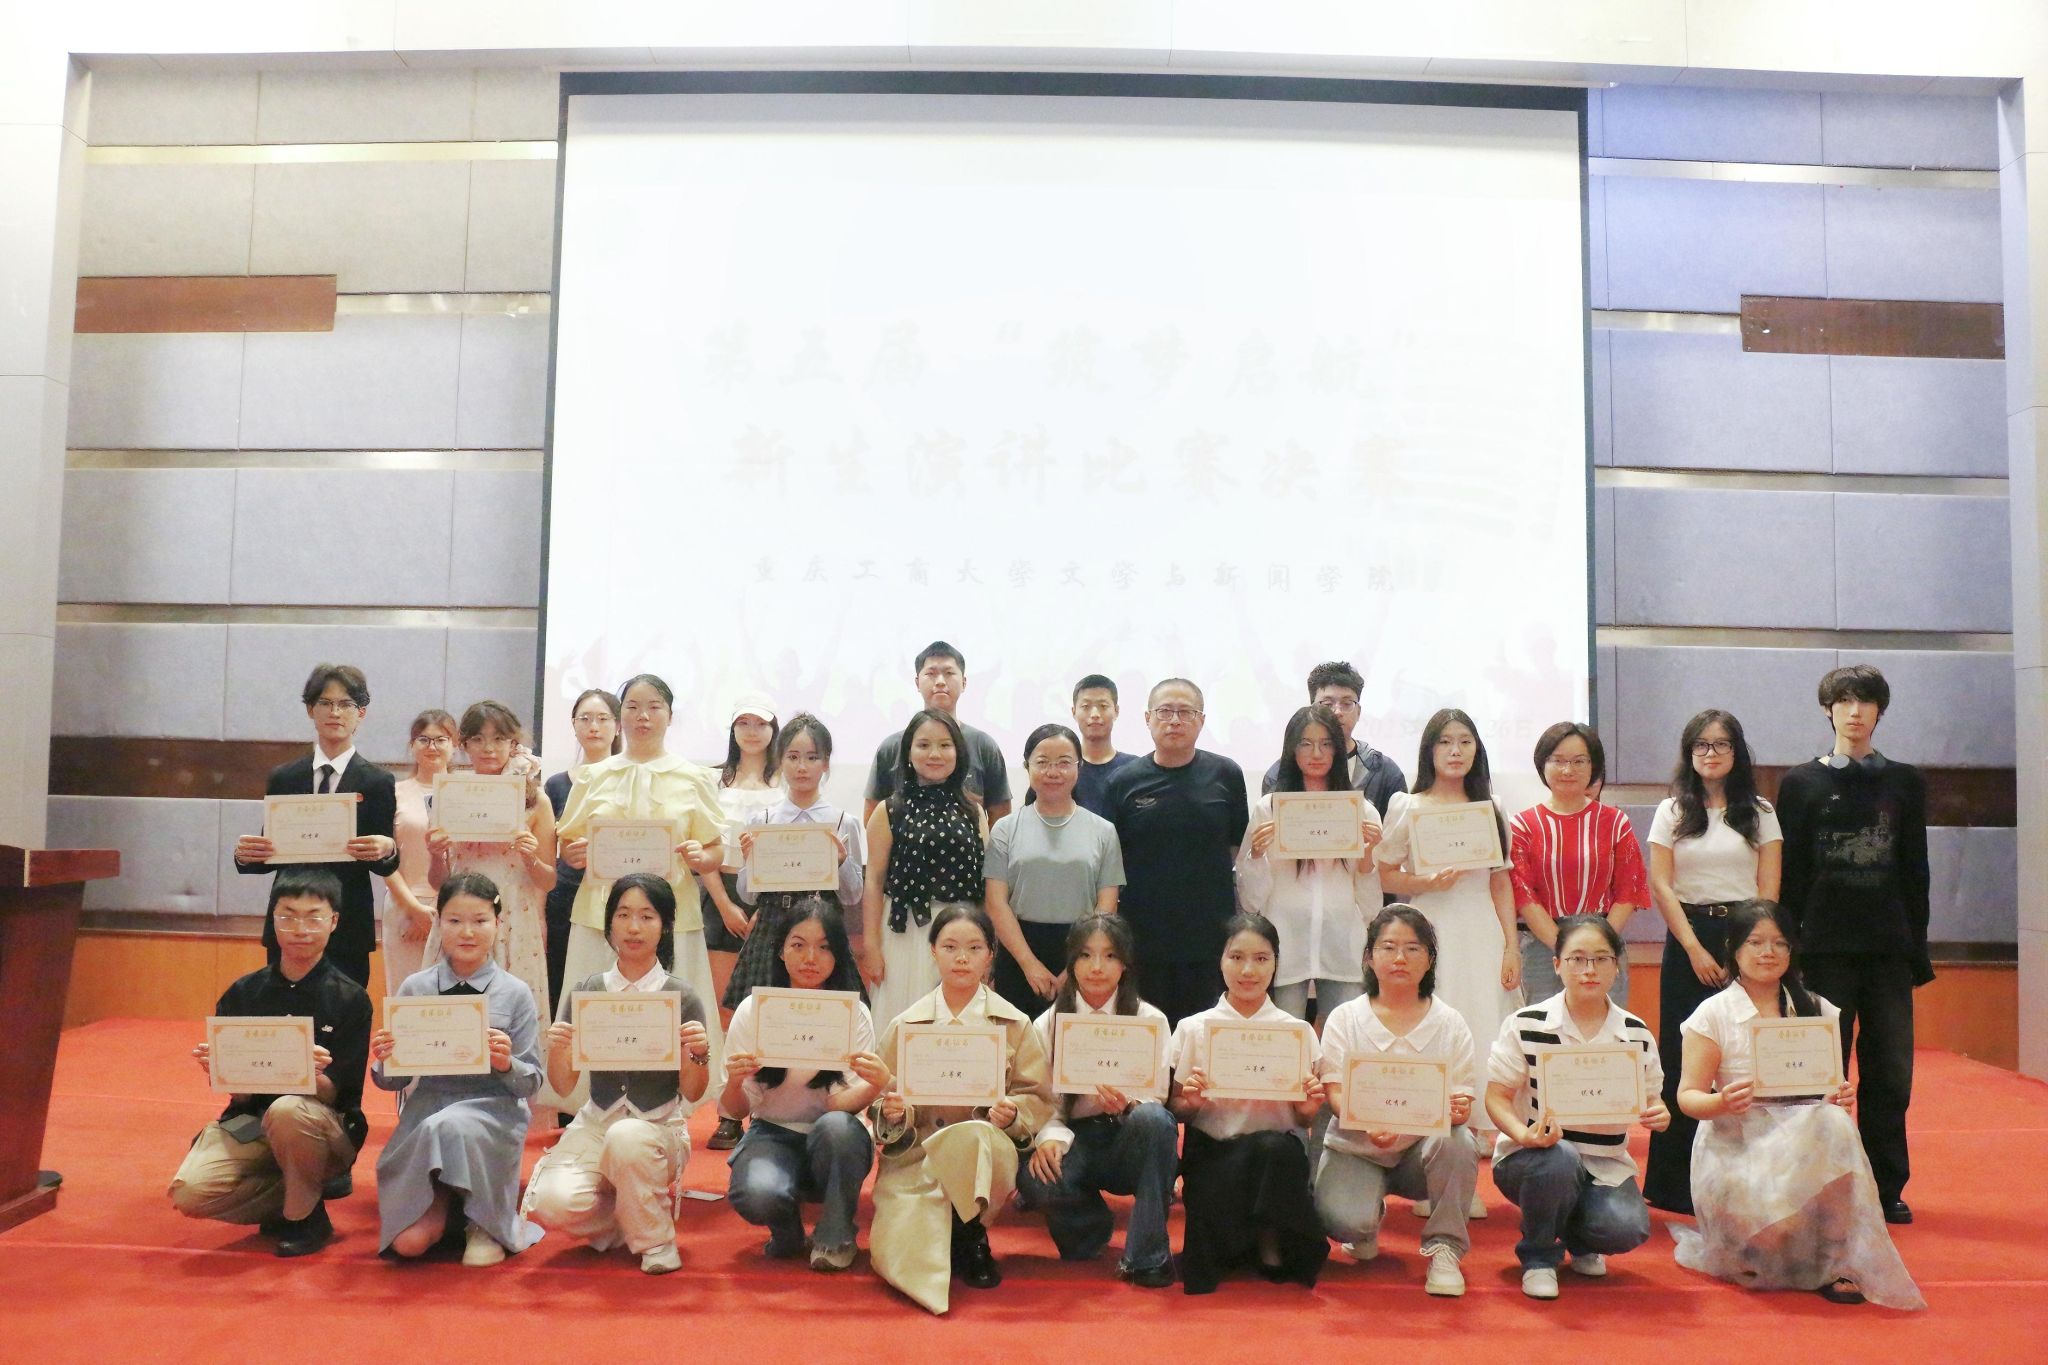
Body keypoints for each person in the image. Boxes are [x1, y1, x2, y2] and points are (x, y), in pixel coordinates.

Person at [1673, 901, 1924, 1308]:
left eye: (1779, 943)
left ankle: (1836, 1261)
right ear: (1733, 950)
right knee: (1768, 1245)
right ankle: (1758, 1241)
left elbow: (1826, 1086)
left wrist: (1838, 1096)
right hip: (1737, 1141)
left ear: (1792, 950)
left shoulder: (1816, 1008)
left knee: (1834, 1121)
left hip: (1801, 1138)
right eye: (1755, 942)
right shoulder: (1712, 1013)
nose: (1768, 952)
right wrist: (1721, 1101)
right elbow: (1687, 1097)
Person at [1774, 664, 1930, 1226]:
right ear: (1828, 710)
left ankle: (1885, 1188)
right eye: (1844, 701)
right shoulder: (1800, 784)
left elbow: (1915, 871)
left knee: (1890, 1075)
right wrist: (1787, 953)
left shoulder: (1905, 782)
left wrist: (1917, 951)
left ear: (1880, 711)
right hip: (1822, 951)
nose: (1855, 711)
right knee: (1821, 1074)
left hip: (1888, 951)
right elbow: (1790, 875)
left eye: (1866, 701)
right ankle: (1824, 1184)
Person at [168, 869, 370, 1257]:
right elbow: (242, 1097)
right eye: (288, 916)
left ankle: (303, 1218)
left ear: (333, 922)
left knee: (288, 1109)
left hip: (323, 1128)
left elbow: (338, 1094)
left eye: (313, 917)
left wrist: (306, 1072)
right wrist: (222, 1069)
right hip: (252, 1121)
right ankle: (299, 1194)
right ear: (272, 920)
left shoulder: (350, 998)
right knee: (191, 1192)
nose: (300, 929)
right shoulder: (243, 994)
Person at [523, 873, 710, 1274]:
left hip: (657, 1126)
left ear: (665, 926)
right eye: (623, 915)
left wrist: (697, 1055)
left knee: (628, 1137)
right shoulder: (588, 992)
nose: (633, 927)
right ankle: (631, 1215)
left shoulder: (682, 996)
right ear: (608, 924)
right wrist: (559, 1049)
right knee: (551, 1203)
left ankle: (656, 1242)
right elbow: (564, 1085)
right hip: (597, 1121)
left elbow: (694, 1092)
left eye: (647, 916)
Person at [556, 674, 727, 1110]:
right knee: (596, 1011)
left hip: (671, 917)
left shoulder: (694, 777)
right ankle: (589, 1107)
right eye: (632, 707)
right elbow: (569, 843)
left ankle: (667, 1108)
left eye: (654, 707)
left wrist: (701, 855)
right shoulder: (593, 776)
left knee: (671, 1015)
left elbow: (715, 850)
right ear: (620, 717)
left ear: (670, 715)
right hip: (599, 914)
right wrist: (574, 853)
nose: (642, 716)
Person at [871, 905, 1052, 1314]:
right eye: (950, 947)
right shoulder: (906, 1024)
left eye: (974, 948)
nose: (962, 958)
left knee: (975, 1136)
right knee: (895, 1255)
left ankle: (972, 1236)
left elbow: (1037, 1095)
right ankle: (952, 1233)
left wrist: (1012, 1114)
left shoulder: (1014, 1023)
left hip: (985, 1152)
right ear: (932, 951)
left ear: (990, 955)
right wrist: (895, 1112)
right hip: (918, 1156)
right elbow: (880, 1096)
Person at [1642, 708, 1782, 1214]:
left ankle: (1749, 1181)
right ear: (1689, 753)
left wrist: (1748, 949)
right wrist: (1695, 949)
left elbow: (1768, 888)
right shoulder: (1672, 810)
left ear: (1737, 752)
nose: (1711, 753)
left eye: (1721, 744)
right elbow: (1661, 885)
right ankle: (1674, 1186)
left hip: (1746, 938)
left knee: (1745, 1052)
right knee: (1683, 1056)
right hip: (1689, 937)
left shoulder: (1760, 811)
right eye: (1701, 745)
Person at [1484, 914, 1667, 1300]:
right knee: (1560, 1158)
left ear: (1616, 966)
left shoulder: (1635, 1032)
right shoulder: (1526, 1023)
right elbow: (1496, 1096)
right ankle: (1538, 1257)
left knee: (1626, 1228)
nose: (1589, 970)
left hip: (1603, 1164)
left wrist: (1659, 1113)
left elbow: (1653, 1098)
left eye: (1601, 959)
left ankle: (1580, 1239)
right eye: (1577, 959)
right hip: (1532, 1160)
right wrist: (1523, 1135)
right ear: (1557, 965)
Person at [372, 873, 544, 1266]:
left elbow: (531, 1080)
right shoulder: (415, 988)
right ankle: (454, 1207)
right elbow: (393, 1080)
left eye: (480, 920)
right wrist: (386, 1058)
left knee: (448, 1126)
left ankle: (482, 1220)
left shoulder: (515, 993)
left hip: (493, 1111)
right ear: (438, 922)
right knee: (408, 1244)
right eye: (454, 920)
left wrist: (506, 1063)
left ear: (498, 923)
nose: (467, 932)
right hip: (427, 1109)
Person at [1314, 905, 1479, 1297]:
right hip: (1357, 1148)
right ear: (1370, 957)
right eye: (1388, 947)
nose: (1400, 958)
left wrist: (1458, 1110)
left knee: (1458, 1141)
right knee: (1343, 1223)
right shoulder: (1345, 1018)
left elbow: (1462, 1096)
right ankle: (1368, 1215)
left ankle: (1445, 1248)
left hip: (1420, 1155)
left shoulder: (1450, 1023)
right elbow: (1333, 1090)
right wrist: (1365, 1121)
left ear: (1430, 959)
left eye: (1413, 948)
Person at [1376, 708, 1520, 1145]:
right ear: (1429, 751)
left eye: (1465, 742)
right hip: (1429, 929)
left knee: (1486, 1020)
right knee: (1432, 1019)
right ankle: (1428, 1125)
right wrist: (1425, 883)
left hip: (1483, 930)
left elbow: (1500, 880)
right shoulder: (1408, 806)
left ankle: (1482, 1128)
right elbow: (1384, 874)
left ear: (1477, 750)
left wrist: (1511, 945)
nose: (1455, 751)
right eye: (1445, 742)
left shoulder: (1492, 806)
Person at [721, 903, 887, 1272]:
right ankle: (787, 1231)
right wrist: (734, 1080)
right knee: (757, 1193)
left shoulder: (853, 1014)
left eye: (824, 947)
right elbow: (736, 1110)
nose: (810, 958)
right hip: (772, 1131)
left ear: (838, 954)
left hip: (833, 1136)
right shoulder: (754, 1010)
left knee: (838, 1129)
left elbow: (838, 1104)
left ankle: (836, 1235)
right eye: (798, 945)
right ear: (780, 950)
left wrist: (875, 1087)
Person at [1170, 912, 1329, 1294]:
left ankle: (1270, 1238)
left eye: (1261, 959)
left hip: (1275, 1161)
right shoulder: (1193, 1027)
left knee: (1275, 1148)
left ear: (1275, 964)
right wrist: (1190, 1102)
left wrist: (1309, 1110)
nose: (1248, 970)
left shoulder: (1296, 1032)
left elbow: (1302, 1118)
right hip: (1214, 1156)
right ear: (1220, 960)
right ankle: (1242, 1239)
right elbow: (1175, 1108)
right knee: (1201, 1270)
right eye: (1236, 957)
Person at [1015, 913, 1178, 1288]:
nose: (1097, 967)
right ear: (1072, 962)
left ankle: (1148, 1256)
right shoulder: (1048, 1024)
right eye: (1086, 955)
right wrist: (1049, 1139)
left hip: (1127, 1137)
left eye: (1110, 956)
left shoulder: (1150, 1020)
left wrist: (1128, 1107)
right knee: (1036, 1177)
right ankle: (1090, 1226)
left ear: (1125, 963)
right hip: (1074, 1136)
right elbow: (1041, 1102)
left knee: (1154, 1120)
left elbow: (1157, 1097)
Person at [233, 664, 401, 985]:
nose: (335, 712)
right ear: (311, 710)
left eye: (346, 704)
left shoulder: (377, 781)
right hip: (290, 920)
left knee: (345, 1009)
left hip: (348, 921)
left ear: (361, 713)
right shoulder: (284, 777)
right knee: (284, 1008)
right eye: (325, 703)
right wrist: (246, 855)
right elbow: (272, 852)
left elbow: (386, 863)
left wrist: (387, 849)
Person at [1106, 678, 1250, 1026]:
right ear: (1147, 718)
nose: (1174, 720)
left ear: (1201, 720)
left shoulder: (1227, 774)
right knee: (1147, 1033)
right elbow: (1113, 856)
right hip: (1143, 937)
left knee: (1202, 1034)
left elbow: (1237, 847)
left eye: (1185, 712)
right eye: (1165, 711)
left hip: (1210, 936)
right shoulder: (1123, 781)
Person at [1237, 704, 1384, 1024]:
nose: (1316, 753)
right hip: (1285, 942)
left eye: (1326, 744)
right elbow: (1250, 901)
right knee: (1284, 1037)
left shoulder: (1362, 812)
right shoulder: (1269, 809)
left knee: (1343, 1036)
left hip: (1342, 944)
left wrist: (1367, 856)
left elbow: (1371, 907)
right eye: (1305, 743)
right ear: (1291, 749)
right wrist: (1257, 855)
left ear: (1338, 749)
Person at [427, 700, 555, 1027]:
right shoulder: (450, 795)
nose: (488, 748)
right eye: (478, 739)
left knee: (512, 1018)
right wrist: (435, 854)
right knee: (452, 1015)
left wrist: (530, 857)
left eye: (499, 739)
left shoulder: (535, 799)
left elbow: (548, 880)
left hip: (514, 913)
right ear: (464, 745)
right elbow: (438, 882)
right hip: (460, 911)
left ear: (513, 744)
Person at [725, 713, 865, 1010]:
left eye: (812, 758)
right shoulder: (762, 821)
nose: (802, 767)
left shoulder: (843, 821)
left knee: (826, 1016)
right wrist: (750, 862)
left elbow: (853, 896)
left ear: (826, 763)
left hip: (823, 929)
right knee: (765, 1017)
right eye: (793, 757)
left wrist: (841, 862)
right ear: (780, 760)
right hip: (771, 930)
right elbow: (747, 896)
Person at [859, 709, 986, 1034]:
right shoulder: (889, 809)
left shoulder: (974, 811)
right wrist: (871, 945)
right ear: (908, 752)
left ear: (958, 752)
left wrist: (986, 947)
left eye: (945, 745)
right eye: (924, 745)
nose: (934, 754)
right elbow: (873, 881)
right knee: (901, 1019)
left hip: (961, 932)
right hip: (904, 932)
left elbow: (983, 884)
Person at [985, 723, 1125, 1013]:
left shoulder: (1103, 830)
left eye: (1063, 763)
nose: (1053, 772)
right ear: (1027, 766)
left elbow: (1107, 905)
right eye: (1042, 762)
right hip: (1019, 951)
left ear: (1079, 767)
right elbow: (996, 902)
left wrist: (1076, 966)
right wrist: (1029, 964)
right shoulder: (1005, 829)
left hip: (1085, 951)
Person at [1509, 722, 1647, 1007]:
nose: (1567, 770)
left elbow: (1628, 890)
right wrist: (1566, 949)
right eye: (1558, 761)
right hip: (1543, 949)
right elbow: (1524, 896)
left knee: (1606, 1028)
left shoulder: (1615, 822)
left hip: (1604, 943)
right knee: (1545, 1030)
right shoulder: (1523, 825)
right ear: (1542, 764)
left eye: (1578, 761)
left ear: (1593, 767)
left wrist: (1597, 945)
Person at [698, 693, 782, 1152]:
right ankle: (728, 1112)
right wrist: (725, 905)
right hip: (720, 896)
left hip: (772, 898)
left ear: (774, 730)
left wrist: (763, 904)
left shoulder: (786, 779)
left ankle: (770, 1108)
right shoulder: (713, 780)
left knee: (768, 1009)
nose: (752, 732)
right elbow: (702, 846)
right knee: (726, 1011)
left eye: (760, 723)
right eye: (743, 723)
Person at [864, 640, 1012, 823]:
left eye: (949, 673)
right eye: (931, 674)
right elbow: (872, 818)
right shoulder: (892, 746)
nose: (940, 682)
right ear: (917, 682)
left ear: (964, 683)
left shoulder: (984, 746)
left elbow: (1000, 819)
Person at [544, 687, 620, 1016]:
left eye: (603, 719)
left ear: (618, 726)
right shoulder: (556, 784)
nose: (594, 727)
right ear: (573, 725)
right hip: (567, 894)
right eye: (584, 719)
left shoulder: (630, 778)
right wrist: (565, 856)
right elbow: (549, 850)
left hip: (619, 895)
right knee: (564, 980)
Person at [1259, 661, 1406, 819]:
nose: (1337, 712)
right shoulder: (1279, 774)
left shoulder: (1384, 772)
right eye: (1327, 704)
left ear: (1358, 712)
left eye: (1347, 703)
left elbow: (1399, 831)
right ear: (1311, 709)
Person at [384, 709, 456, 991]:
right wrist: (414, 910)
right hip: (404, 906)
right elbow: (384, 861)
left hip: (456, 909)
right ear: (412, 745)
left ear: (455, 745)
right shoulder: (393, 793)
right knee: (405, 995)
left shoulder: (467, 793)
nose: (432, 747)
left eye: (441, 740)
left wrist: (439, 911)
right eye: (423, 739)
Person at [1069, 674, 1136, 817]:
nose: (1095, 714)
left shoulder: (1135, 768)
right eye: (1085, 706)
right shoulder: (1064, 768)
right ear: (1074, 712)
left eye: (1103, 706)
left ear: (1116, 711)